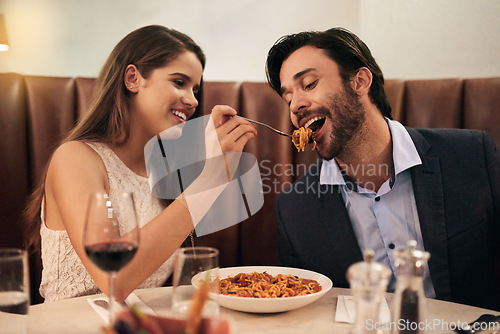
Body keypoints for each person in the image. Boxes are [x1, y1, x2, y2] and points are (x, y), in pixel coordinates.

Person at [265, 27, 500, 310]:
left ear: (360, 82)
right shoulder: (294, 211)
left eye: (309, 84)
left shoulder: (472, 156)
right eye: (288, 97)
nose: (296, 105)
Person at [23, 25, 257, 302]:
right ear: (133, 78)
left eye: (196, 89)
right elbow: (114, 278)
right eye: (179, 82)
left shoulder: (169, 171)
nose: (193, 100)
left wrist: (212, 163)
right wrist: (213, 176)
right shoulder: (75, 158)